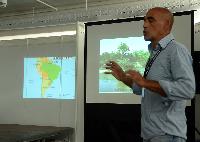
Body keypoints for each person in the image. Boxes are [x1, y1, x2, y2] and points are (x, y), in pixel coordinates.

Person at [105, 7, 195, 142]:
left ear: (166, 24)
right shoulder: (156, 53)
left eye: (150, 20)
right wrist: (124, 78)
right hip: (152, 134)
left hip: (167, 135)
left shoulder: (176, 50)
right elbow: (146, 89)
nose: (145, 24)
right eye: (144, 20)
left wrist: (145, 82)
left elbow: (187, 89)